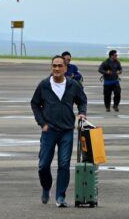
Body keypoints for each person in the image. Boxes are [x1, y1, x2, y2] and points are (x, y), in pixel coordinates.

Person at [31, 56, 87, 208]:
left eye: (60, 66)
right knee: (43, 165)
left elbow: (82, 100)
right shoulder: (44, 85)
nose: (56, 69)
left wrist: (82, 112)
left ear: (65, 68)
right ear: (51, 67)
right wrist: (42, 123)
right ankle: (46, 187)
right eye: (54, 66)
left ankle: (60, 196)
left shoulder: (73, 85)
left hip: (67, 131)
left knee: (64, 164)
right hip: (49, 131)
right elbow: (35, 104)